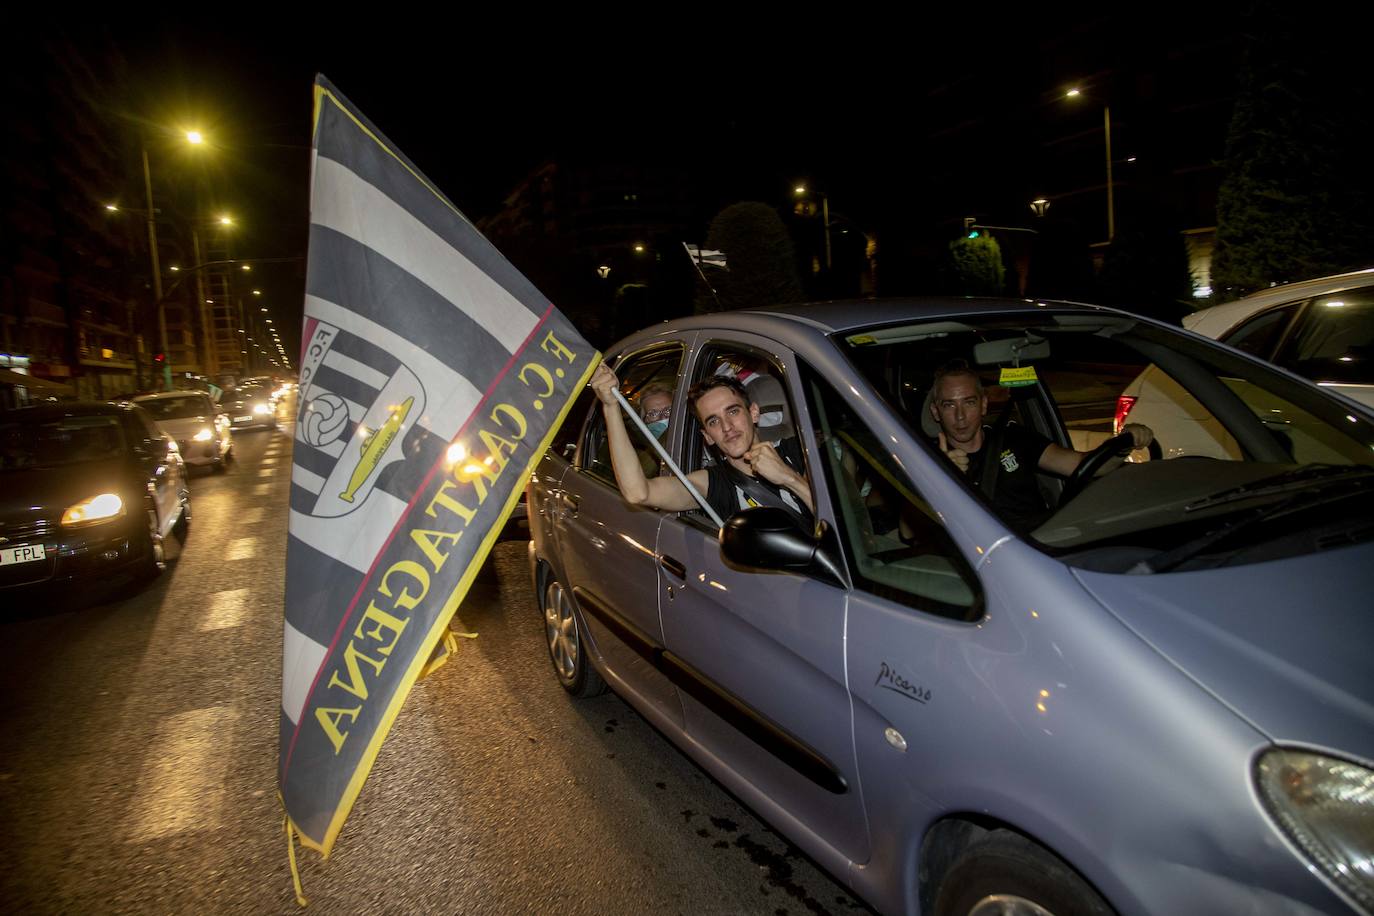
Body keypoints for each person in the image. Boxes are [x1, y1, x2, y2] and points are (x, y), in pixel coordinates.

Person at [928, 360, 1152, 531]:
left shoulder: (1014, 437)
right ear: (936, 412)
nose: (960, 417)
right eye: (949, 405)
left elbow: (1084, 465)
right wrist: (938, 480)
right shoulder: (924, 457)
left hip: (1044, 544)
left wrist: (1122, 444)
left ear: (984, 405)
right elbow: (909, 533)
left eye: (969, 402)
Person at [590, 362, 813, 527]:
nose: (727, 427)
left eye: (733, 411)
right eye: (713, 421)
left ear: (753, 412)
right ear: (707, 436)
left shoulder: (800, 452)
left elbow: (840, 529)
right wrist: (611, 407)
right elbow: (638, 493)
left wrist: (790, 478)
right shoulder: (713, 484)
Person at [634, 382, 674, 477]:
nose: (662, 417)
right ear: (643, 423)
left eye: (668, 410)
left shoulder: (694, 438)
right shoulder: (640, 458)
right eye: (652, 414)